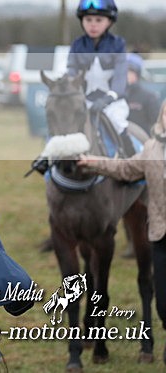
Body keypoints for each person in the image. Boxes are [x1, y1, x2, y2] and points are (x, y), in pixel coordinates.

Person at [77, 98, 166, 365]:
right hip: (161, 235)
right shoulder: (151, 149)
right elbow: (125, 169)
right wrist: (93, 162)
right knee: (163, 305)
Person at [67, 0, 134, 156]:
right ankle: (50, 160)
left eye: (99, 20)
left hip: (112, 103)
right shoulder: (77, 45)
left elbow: (120, 77)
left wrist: (108, 98)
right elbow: (71, 72)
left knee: (118, 122)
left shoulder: (118, 45)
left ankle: (132, 162)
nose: (93, 24)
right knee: (63, 121)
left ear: (109, 22)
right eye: (88, 19)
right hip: (84, 101)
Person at [125, 53, 160, 134]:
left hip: (141, 141)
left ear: (137, 74)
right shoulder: (114, 96)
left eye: (129, 71)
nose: (125, 75)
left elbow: (156, 123)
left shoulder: (149, 97)